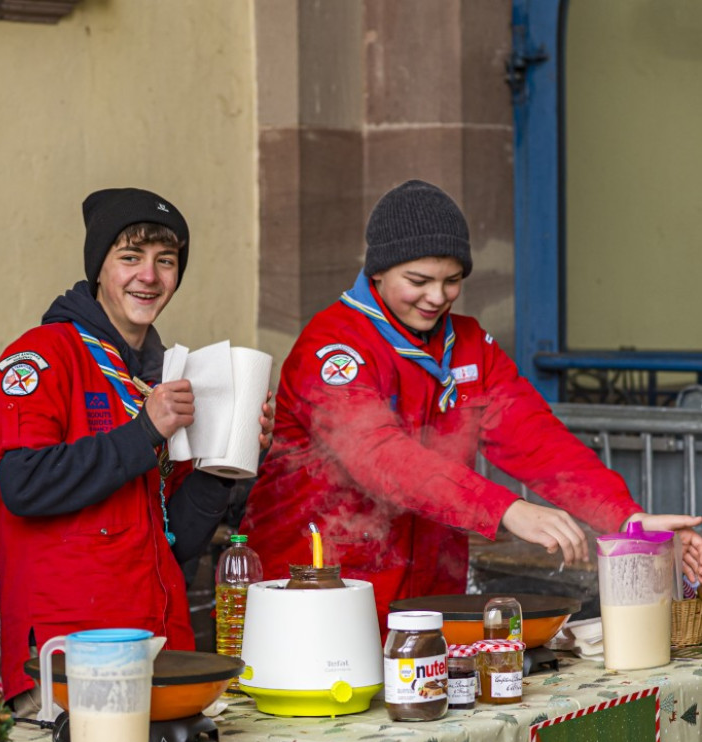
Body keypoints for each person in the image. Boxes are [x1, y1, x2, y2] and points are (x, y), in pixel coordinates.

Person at [241, 179, 702, 629]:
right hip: (318, 593)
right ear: (377, 271)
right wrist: (505, 509)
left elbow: (538, 440)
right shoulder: (333, 348)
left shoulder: (469, 345)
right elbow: (381, 458)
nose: (437, 297)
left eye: (453, 280)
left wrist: (626, 516)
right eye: (418, 280)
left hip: (428, 598)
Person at [0, 188, 272, 711]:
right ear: (99, 268)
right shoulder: (42, 356)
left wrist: (226, 464)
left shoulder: (162, 375)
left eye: (167, 261)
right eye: (131, 257)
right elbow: (22, 485)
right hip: (72, 655)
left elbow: (176, 542)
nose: (150, 276)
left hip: (160, 647)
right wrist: (144, 433)